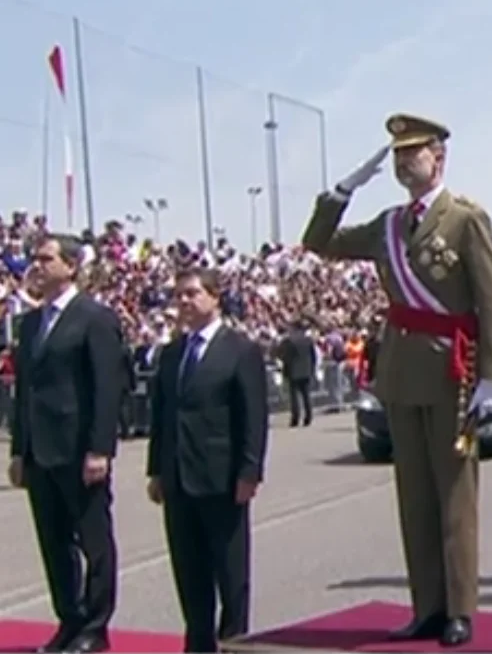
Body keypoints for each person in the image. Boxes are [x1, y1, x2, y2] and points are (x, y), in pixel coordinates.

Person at [301, 113, 492, 647]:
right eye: (395, 154)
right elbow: (319, 243)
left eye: (412, 153)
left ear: (438, 157)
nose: (402, 162)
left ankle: (460, 609)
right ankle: (427, 607)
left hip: (452, 374)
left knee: (455, 498)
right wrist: (343, 190)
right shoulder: (388, 225)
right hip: (401, 373)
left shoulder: (465, 219)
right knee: (414, 497)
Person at [7, 233, 124, 653]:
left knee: (94, 542)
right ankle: (69, 620)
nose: (35, 266)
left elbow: (107, 388)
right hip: (40, 452)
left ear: (71, 266)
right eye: (33, 259)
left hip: (79, 452)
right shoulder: (32, 323)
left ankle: (96, 627)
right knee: (54, 543)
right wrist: (19, 450)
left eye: (45, 259)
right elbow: (25, 391)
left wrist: (100, 449)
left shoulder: (94, 318)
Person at [146, 267, 269, 653]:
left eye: (193, 294)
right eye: (179, 295)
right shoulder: (172, 353)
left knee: (230, 572)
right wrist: (156, 470)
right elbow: (162, 415)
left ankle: (234, 643)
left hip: (223, 477)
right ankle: (197, 643)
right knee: (189, 570)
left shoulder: (239, 349)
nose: (184, 302)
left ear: (215, 298)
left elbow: (253, 416)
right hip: (179, 477)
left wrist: (250, 471)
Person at [275, 318, 316, 427]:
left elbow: (282, 354)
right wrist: (312, 368)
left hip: (293, 371)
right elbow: (313, 356)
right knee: (306, 395)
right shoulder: (308, 340)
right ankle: (308, 416)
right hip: (306, 370)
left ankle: (295, 418)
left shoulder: (289, 341)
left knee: (294, 397)